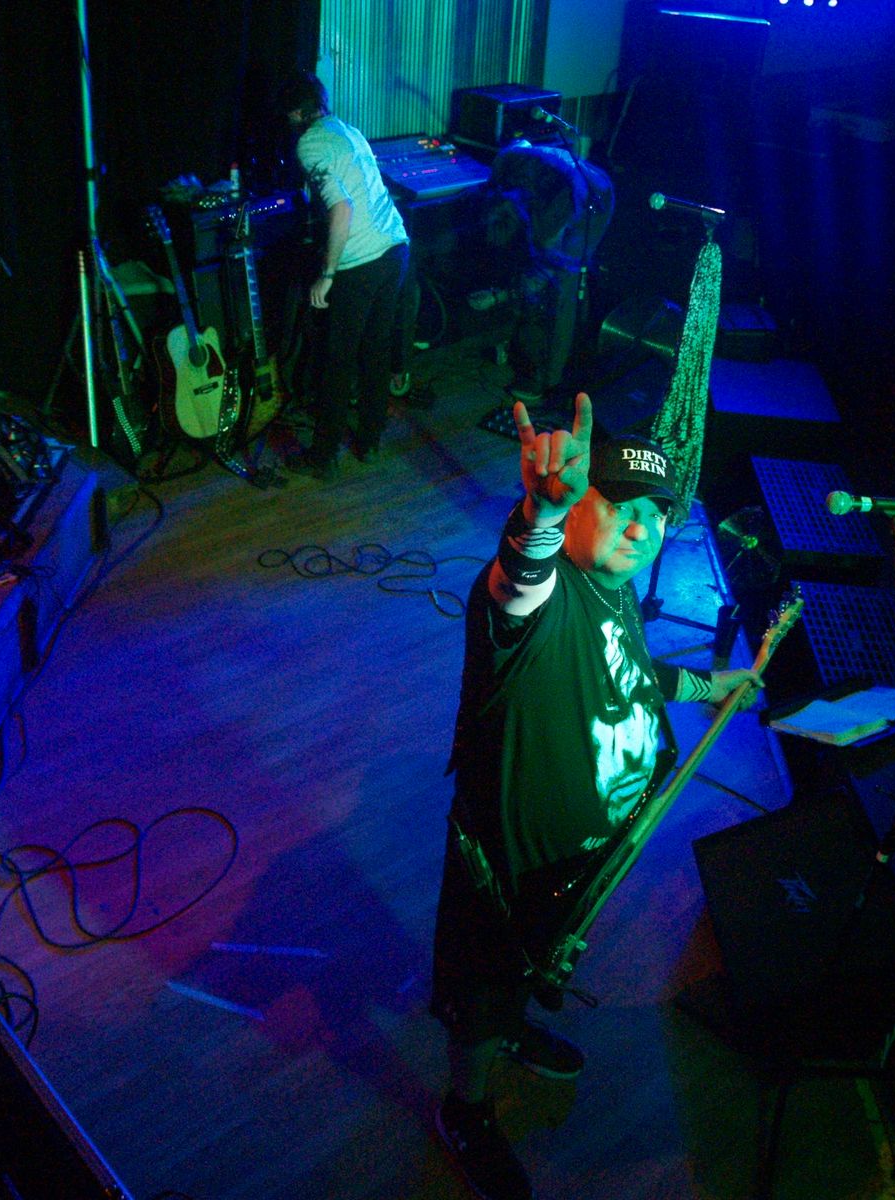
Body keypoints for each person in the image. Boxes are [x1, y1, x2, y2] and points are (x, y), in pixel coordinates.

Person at [431, 393, 759, 1200]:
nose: (642, 530)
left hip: (579, 864)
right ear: (579, 504)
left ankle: (510, 1025)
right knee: (482, 988)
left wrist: (710, 685)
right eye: (621, 506)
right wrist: (540, 514)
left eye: (657, 515)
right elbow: (517, 585)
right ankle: (465, 1108)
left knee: (525, 969)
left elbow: (634, 673)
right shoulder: (545, 598)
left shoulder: (617, 592)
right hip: (510, 868)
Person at [278, 71, 410, 480]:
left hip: (361, 261)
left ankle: (323, 456)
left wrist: (328, 274)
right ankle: (369, 440)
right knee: (376, 350)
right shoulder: (347, 130)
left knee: (337, 360)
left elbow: (341, 208)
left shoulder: (310, 143)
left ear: (296, 113)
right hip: (395, 248)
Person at [484, 141, 614, 405]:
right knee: (546, 270)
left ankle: (549, 381)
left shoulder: (553, 190)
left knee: (564, 289)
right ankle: (532, 352)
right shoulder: (523, 167)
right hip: (583, 192)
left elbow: (547, 250)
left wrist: (505, 294)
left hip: (590, 205)